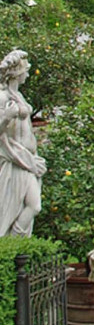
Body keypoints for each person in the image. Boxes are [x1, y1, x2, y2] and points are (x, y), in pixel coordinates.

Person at [0, 50, 46, 237]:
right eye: (25, 71)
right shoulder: (3, 97)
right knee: (30, 206)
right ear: (17, 73)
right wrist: (7, 116)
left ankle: (15, 246)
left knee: (34, 206)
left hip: (27, 159)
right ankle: (10, 244)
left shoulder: (18, 95)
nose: (27, 74)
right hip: (14, 158)